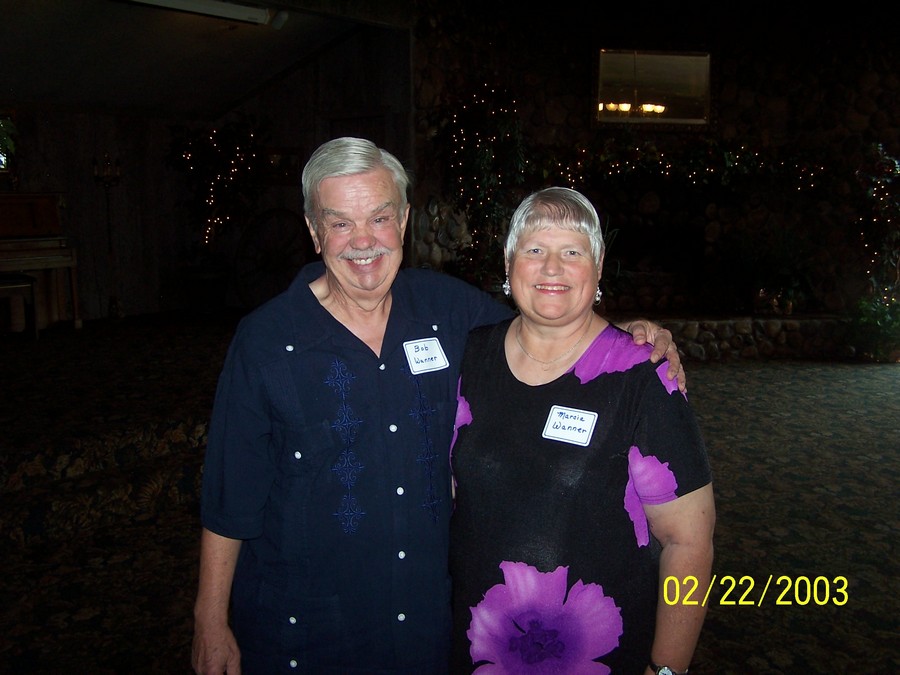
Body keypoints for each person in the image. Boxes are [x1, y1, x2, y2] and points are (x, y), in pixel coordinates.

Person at [191, 138, 685, 675]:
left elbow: (544, 323)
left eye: (380, 218)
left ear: (404, 221)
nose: (364, 241)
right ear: (313, 231)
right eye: (340, 223)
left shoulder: (446, 310)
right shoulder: (266, 342)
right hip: (306, 628)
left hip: (422, 626)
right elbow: (230, 494)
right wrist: (209, 619)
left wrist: (626, 337)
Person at [448, 187, 715, 675]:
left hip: (598, 658)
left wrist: (668, 669)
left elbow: (689, 542)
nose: (552, 268)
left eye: (572, 252)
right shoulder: (470, 357)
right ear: (508, 264)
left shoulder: (640, 375)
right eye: (535, 249)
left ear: (598, 267)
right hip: (480, 651)